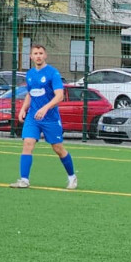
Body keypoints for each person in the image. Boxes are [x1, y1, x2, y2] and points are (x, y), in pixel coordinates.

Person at [10, 44, 77, 190]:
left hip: (50, 118)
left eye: (41, 53)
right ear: (31, 56)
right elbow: (30, 93)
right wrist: (23, 108)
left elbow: (59, 96)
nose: (38, 56)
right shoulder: (30, 74)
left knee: (58, 148)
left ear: (45, 55)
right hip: (33, 118)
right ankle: (24, 180)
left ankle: (72, 176)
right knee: (28, 144)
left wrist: (45, 108)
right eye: (35, 53)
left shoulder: (53, 73)